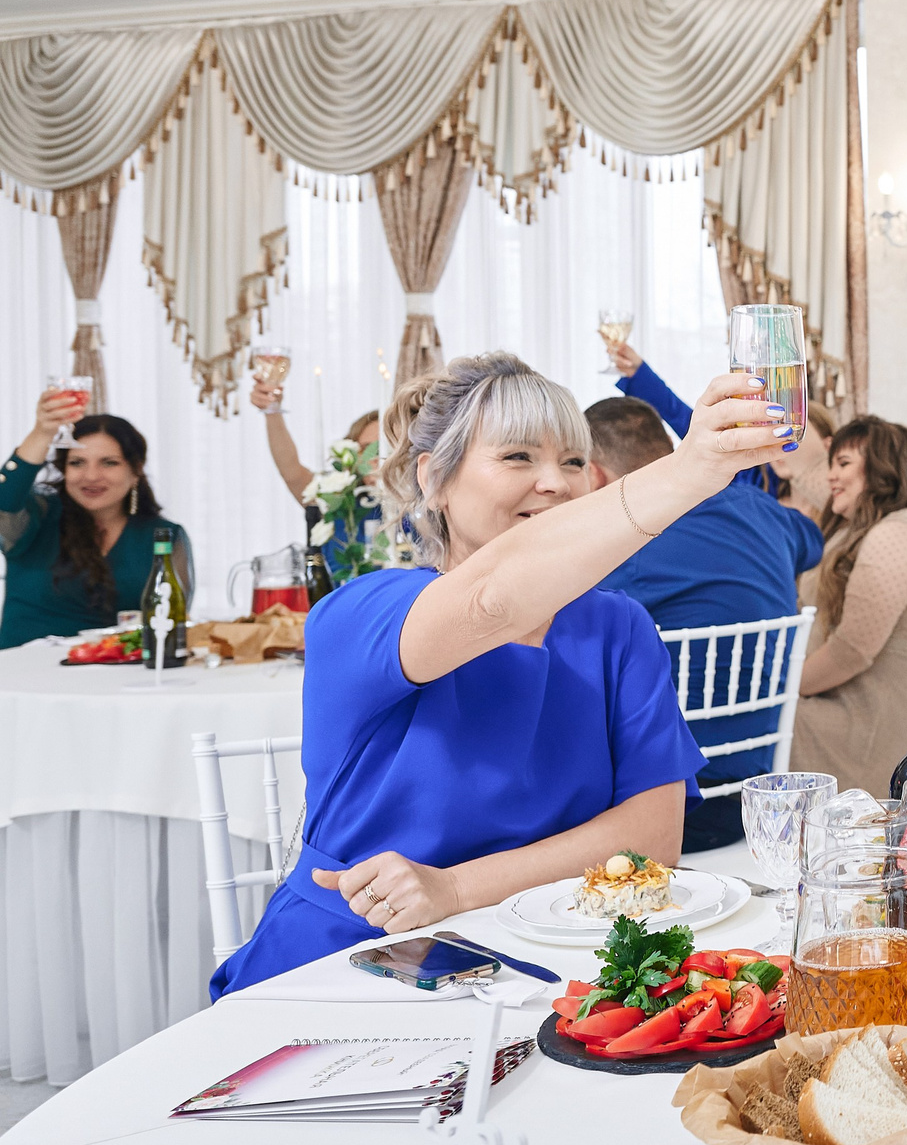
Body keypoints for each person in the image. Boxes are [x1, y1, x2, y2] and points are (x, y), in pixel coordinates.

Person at [209, 352, 785, 996]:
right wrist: (688, 471)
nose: (555, 483)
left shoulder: (616, 626)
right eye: (517, 457)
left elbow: (651, 837)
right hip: (355, 955)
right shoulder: (361, 615)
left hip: (552, 961)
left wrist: (454, 888)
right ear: (434, 479)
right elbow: (492, 602)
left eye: (574, 461)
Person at [585, 396, 826, 852]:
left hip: (665, 804)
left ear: (594, 475)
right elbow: (812, 540)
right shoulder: (760, 508)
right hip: (755, 793)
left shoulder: (624, 538)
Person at [792, 414, 907, 798]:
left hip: (867, 726)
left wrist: (784, 687)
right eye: (831, 463)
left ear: (883, 471)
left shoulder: (896, 534)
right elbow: (808, 477)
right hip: (848, 704)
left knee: (749, 717)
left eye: (844, 464)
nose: (830, 476)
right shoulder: (868, 528)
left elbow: (851, 651)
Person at [1, 394, 193, 649]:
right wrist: (42, 433)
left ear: (135, 470)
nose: (91, 476)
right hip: (25, 669)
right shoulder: (38, 516)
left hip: (116, 670)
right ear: (64, 469)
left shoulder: (163, 535)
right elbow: (5, 500)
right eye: (77, 463)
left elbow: (170, 622)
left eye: (109, 463)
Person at [608, 338, 833, 516]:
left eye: (790, 432)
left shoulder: (838, 507)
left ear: (827, 446)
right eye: (772, 428)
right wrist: (640, 374)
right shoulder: (753, 481)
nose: (775, 438)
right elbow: (689, 424)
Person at [249, 369, 384, 582]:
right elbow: (292, 472)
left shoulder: (421, 504)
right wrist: (272, 411)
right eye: (366, 449)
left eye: (383, 448)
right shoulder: (338, 500)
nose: (375, 459)